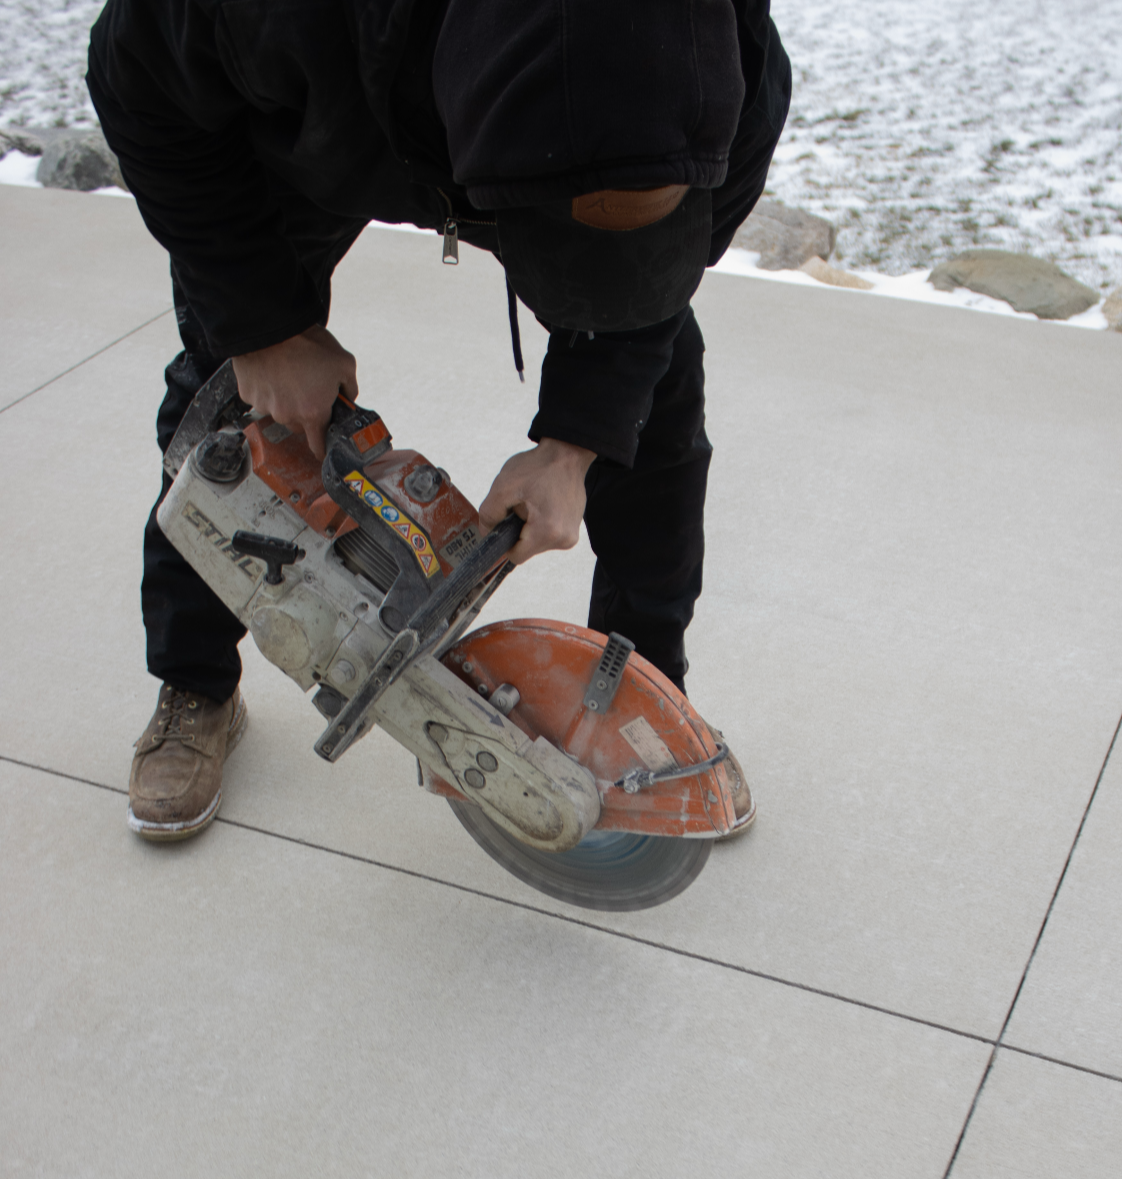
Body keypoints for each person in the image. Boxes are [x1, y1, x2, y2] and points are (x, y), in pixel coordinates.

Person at [87, 0, 792, 842]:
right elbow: (134, 79)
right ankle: (193, 684)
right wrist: (263, 326)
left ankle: (642, 701)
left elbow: (649, 297)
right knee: (228, 398)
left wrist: (576, 440)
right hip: (324, 112)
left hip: (522, 136)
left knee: (654, 404)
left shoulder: (731, 62)